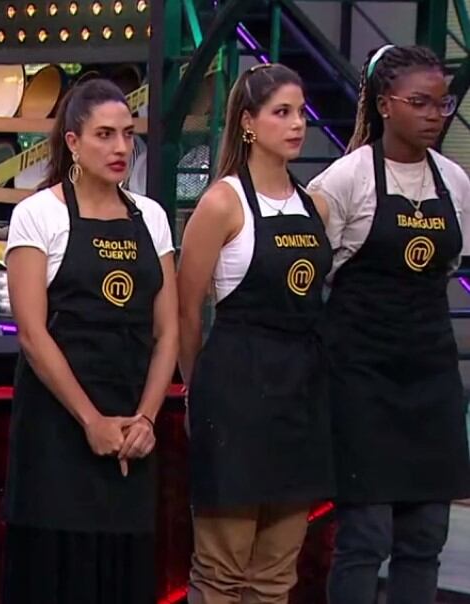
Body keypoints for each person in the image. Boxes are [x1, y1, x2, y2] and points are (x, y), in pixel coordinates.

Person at [2, 78, 179, 604]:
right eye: (105, 134)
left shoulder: (152, 217)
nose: (121, 147)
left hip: (132, 426)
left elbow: (167, 331)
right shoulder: (39, 214)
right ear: (73, 142)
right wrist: (91, 421)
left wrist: (146, 419)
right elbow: (33, 334)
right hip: (57, 429)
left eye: (127, 134)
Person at [307, 45, 470, 604]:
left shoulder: (455, 182)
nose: (434, 115)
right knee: (366, 535)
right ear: (384, 105)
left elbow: (447, 264)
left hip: (430, 373)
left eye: (442, 105)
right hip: (361, 376)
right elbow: (310, 274)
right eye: (419, 103)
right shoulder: (344, 180)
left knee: (426, 535)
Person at [177, 63, 333, 603]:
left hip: (300, 396)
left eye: (301, 113)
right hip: (236, 395)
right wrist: (195, 391)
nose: (297, 124)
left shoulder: (315, 205)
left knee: (276, 574)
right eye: (281, 112)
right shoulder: (222, 203)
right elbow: (186, 311)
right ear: (248, 122)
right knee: (221, 571)